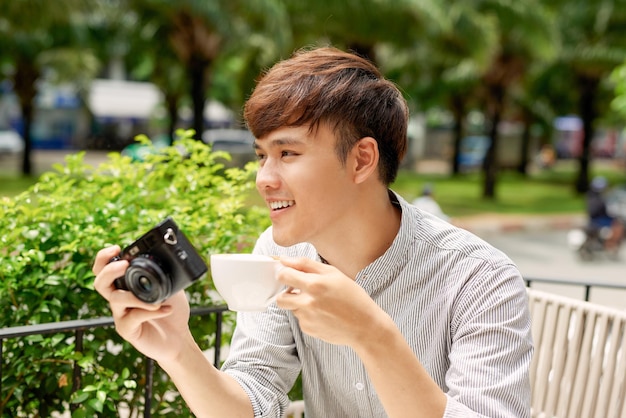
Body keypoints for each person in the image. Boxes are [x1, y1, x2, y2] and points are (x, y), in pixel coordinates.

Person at [93, 46, 533, 417]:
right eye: (262, 155)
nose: (264, 179)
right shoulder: (278, 255)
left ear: (362, 160)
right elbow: (254, 399)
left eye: (287, 152)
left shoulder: (481, 279)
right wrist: (177, 351)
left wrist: (373, 336)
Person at [586, 176, 624, 252]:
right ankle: (610, 244)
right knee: (618, 226)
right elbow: (607, 211)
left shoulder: (591, 196)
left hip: (594, 219)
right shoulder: (600, 198)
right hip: (601, 220)